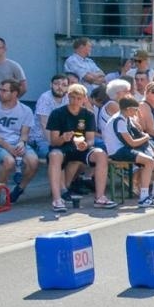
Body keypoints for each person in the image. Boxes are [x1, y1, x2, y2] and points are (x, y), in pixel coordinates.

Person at [46, 84, 112, 212]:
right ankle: (57, 199)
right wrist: (63, 138)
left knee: (101, 154)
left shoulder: (88, 114)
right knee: (54, 156)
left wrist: (86, 144)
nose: (75, 101)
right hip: (62, 147)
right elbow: (54, 141)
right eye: (72, 97)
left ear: (84, 99)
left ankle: (100, 197)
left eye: (78, 98)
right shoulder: (57, 113)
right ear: (67, 97)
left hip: (80, 148)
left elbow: (91, 139)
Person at [105, 94, 154, 208]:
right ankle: (144, 198)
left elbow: (141, 135)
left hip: (126, 149)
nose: (136, 112)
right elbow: (132, 143)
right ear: (128, 109)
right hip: (117, 152)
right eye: (135, 110)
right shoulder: (119, 120)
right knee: (149, 161)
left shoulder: (128, 118)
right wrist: (145, 137)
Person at [0, 79, 39, 202]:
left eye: (4, 90)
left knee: (33, 162)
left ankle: (19, 189)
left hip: (17, 143)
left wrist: (21, 143)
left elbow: (24, 134)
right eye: (0, 90)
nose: (0, 93)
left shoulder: (26, 110)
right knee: (9, 162)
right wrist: (8, 147)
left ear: (14, 94)